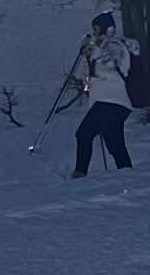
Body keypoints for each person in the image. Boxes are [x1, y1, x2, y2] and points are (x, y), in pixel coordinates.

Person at [53, 10, 138, 177]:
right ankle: (124, 173)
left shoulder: (115, 45)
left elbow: (110, 66)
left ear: (106, 28)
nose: (94, 32)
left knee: (103, 139)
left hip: (113, 100)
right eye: (94, 29)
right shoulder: (98, 48)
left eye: (97, 29)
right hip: (103, 102)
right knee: (100, 138)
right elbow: (91, 78)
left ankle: (84, 173)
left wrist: (91, 50)